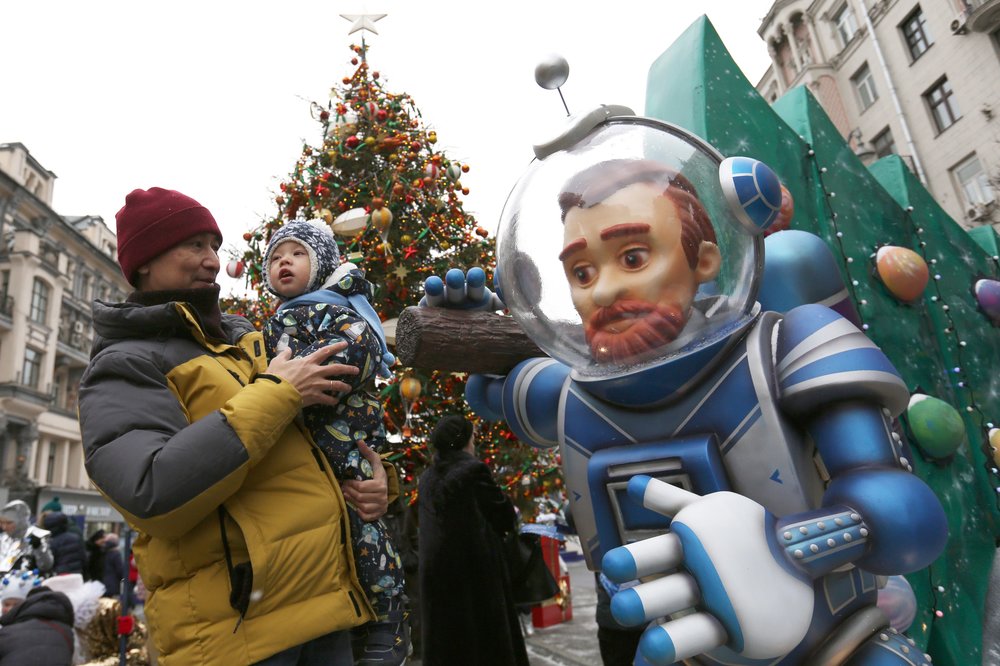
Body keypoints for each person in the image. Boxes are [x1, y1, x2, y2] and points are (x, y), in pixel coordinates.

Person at [414, 124, 948, 662]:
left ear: (706, 261)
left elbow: (905, 514)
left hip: (838, 649)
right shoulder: (576, 393)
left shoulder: (783, 348)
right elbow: (489, 392)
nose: (604, 290)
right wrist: (473, 330)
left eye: (633, 257)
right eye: (581, 271)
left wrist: (789, 551)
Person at [77, 187, 395, 665]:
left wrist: (379, 480)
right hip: (240, 635)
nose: (211, 260)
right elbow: (151, 491)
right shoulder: (124, 364)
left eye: (214, 246)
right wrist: (279, 393)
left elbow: (316, 436)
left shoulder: (246, 340)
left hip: (324, 610)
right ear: (145, 260)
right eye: (195, 245)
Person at [261, 219, 407, 665]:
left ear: (321, 262)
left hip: (347, 447)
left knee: (367, 537)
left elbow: (356, 348)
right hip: (306, 454)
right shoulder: (273, 320)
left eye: (297, 253)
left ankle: (389, 623)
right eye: (275, 257)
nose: (284, 261)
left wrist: (295, 377)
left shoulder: (337, 308)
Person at [417, 414, 528, 666]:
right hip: (476, 577)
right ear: (465, 440)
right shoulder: (472, 470)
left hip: (438, 579)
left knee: (451, 647)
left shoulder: (427, 479)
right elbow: (503, 517)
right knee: (486, 645)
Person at [0, 574, 74, 665]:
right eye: (6, 604)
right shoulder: (64, 629)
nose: (10, 609)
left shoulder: (6, 633)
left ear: (27, 604)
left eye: (16, 605)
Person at [0, 500, 53, 575]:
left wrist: (39, 548)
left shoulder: (38, 535)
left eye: (9, 523)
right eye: (1, 522)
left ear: (21, 521)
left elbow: (46, 566)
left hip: (28, 582)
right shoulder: (3, 538)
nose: (4, 527)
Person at [99, 532, 123, 599]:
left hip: (100, 585)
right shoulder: (116, 553)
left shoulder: (100, 551)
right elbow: (120, 570)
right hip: (112, 585)